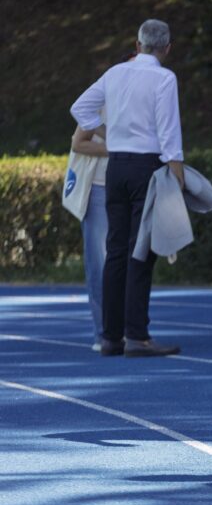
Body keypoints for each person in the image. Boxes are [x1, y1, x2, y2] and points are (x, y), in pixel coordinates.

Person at [70, 19, 187, 358]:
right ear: (167, 48)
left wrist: (109, 132)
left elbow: (79, 108)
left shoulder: (114, 73)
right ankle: (137, 334)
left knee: (116, 250)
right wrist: (177, 177)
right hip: (146, 167)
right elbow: (169, 132)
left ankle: (111, 337)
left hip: (117, 166)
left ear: (137, 45)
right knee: (142, 251)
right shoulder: (164, 78)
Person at [69, 123, 109, 351]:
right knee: (99, 263)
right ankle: (104, 333)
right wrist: (116, 147)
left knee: (130, 260)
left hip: (132, 185)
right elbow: (78, 142)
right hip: (99, 187)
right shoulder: (99, 102)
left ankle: (132, 330)